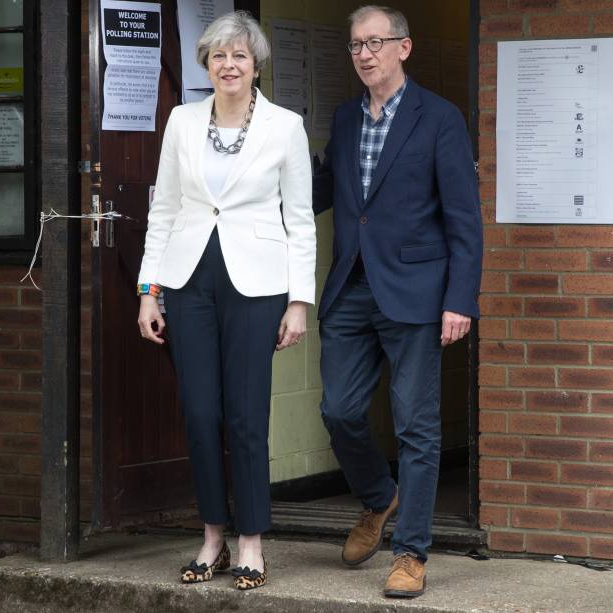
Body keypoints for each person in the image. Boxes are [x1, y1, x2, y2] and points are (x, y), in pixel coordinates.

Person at [136, 10, 315, 591]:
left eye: (239, 56)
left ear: (256, 63)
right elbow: (163, 210)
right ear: (205, 64)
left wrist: (299, 301)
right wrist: (148, 291)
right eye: (218, 56)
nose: (229, 65)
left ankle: (251, 541)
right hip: (188, 280)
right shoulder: (182, 122)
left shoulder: (286, 126)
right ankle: (212, 533)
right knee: (200, 412)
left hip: (257, 285)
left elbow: (301, 220)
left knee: (245, 416)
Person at [312, 5, 482, 599]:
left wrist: (459, 300)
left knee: (416, 427)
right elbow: (320, 194)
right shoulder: (344, 119)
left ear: (403, 49)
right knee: (337, 411)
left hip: (416, 294)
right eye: (356, 44)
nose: (364, 53)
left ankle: (410, 553)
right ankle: (380, 499)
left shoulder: (439, 118)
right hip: (351, 288)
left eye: (376, 42)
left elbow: (464, 218)